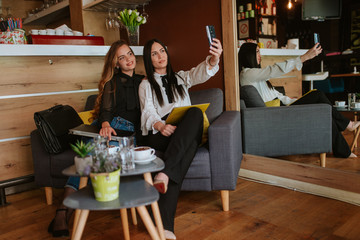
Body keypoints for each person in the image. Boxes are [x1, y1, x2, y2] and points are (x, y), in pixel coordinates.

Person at [47, 40, 144, 237]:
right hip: (112, 127)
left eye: (130, 54)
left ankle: (65, 210)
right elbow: (106, 111)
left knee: (94, 156)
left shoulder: (144, 81)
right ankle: (64, 211)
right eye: (121, 57)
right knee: (89, 156)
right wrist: (106, 125)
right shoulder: (112, 82)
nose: (128, 59)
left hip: (132, 133)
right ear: (116, 63)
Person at [139, 38, 223, 239]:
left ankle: (165, 217)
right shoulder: (145, 84)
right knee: (188, 145)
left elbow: (200, 72)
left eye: (162, 51)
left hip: (182, 131)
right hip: (161, 134)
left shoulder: (181, 78)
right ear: (149, 59)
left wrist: (214, 59)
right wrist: (161, 125)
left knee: (194, 113)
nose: (160, 56)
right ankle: (165, 221)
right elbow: (148, 111)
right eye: (154, 54)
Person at [238, 42, 360, 158]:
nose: (260, 56)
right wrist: (304, 57)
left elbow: (276, 95)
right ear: (248, 55)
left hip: (280, 109)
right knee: (317, 95)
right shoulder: (246, 74)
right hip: (276, 115)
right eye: (257, 52)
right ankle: (346, 125)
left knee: (323, 109)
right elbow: (273, 70)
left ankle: (344, 150)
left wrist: (292, 100)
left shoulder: (256, 75)